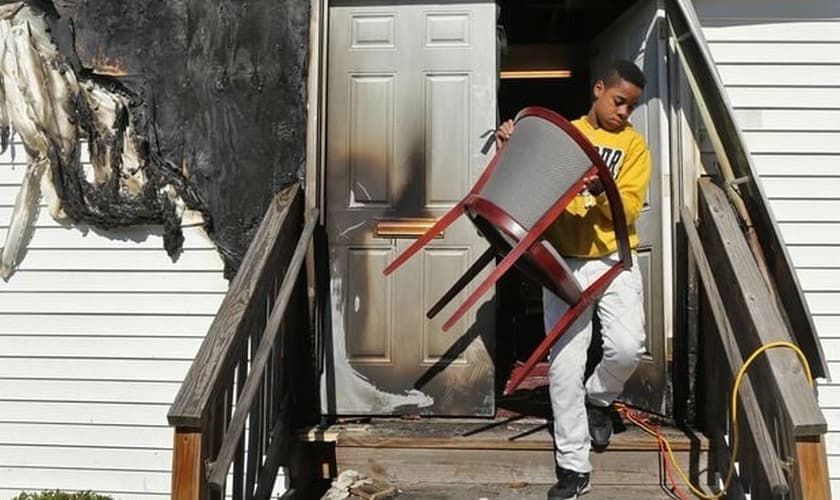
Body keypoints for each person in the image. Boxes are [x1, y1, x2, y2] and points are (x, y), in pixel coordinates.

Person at [496, 59, 651, 500]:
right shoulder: (564, 133)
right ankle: (573, 466)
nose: (624, 113)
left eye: (631, 107)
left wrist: (598, 184)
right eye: (619, 101)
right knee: (564, 364)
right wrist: (513, 145)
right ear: (599, 89)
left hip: (612, 257)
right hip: (562, 259)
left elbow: (631, 205)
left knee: (626, 347)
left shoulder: (635, 147)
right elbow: (527, 181)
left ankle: (599, 399)